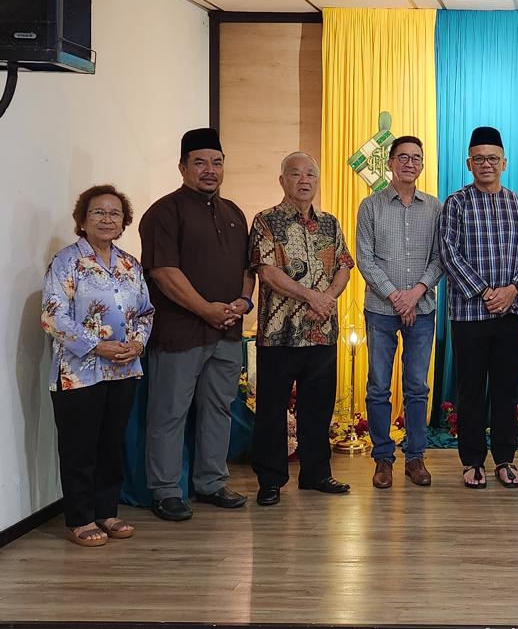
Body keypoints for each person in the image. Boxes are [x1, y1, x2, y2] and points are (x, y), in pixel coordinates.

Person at [139, 127, 254, 521]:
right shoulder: (164, 212)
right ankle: (166, 490)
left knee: (219, 409)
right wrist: (206, 309)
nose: (210, 170)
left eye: (217, 162)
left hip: (227, 332)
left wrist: (243, 301)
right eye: (200, 162)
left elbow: (247, 268)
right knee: (169, 412)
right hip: (180, 333)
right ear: (182, 167)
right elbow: (163, 272)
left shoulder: (234, 213)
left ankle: (210, 482)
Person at [41, 185, 154, 546]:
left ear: (124, 221)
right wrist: (97, 346)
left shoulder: (130, 264)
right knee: (80, 448)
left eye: (114, 213)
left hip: (124, 370)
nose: (107, 219)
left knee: (111, 445)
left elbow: (145, 312)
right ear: (83, 219)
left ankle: (107, 511)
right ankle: (80, 518)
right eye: (98, 212)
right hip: (78, 373)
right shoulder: (66, 262)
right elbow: (53, 316)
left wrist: (137, 343)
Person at [249, 152, 355, 506]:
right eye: (296, 174)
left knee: (319, 408)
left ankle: (316, 473)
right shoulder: (266, 221)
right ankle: (270, 480)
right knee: (271, 410)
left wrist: (326, 299)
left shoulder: (330, 223)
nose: (304, 180)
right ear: (283, 180)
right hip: (279, 333)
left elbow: (344, 266)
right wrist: (312, 296)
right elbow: (266, 271)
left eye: (311, 174)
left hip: (321, 332)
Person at [438, 126, 518, 489]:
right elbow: (448, 253)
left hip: (510, 311)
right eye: (479, 159)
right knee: (471, 390)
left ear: (504, 163)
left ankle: (505, 460)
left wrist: (511, 289)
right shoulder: (456, 203)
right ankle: (473, 461)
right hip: (469, 314)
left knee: (506, 390)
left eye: (493, 158)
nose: (486, 164)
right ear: (469, 164)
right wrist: (484, 292)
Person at [356, 135, 442, 489]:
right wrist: (396, 297)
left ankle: (415, 457)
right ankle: (383, 458)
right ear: (390, 163)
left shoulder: (435, 208)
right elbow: (365, 258)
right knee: (379, 386)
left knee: (417, 387)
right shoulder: (370, 206)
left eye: (416, 158)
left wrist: (415, 293)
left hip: (422, 309)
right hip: (380, 309)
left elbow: (440, 258)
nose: (409, 163)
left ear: (422, 165)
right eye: (403, 157)